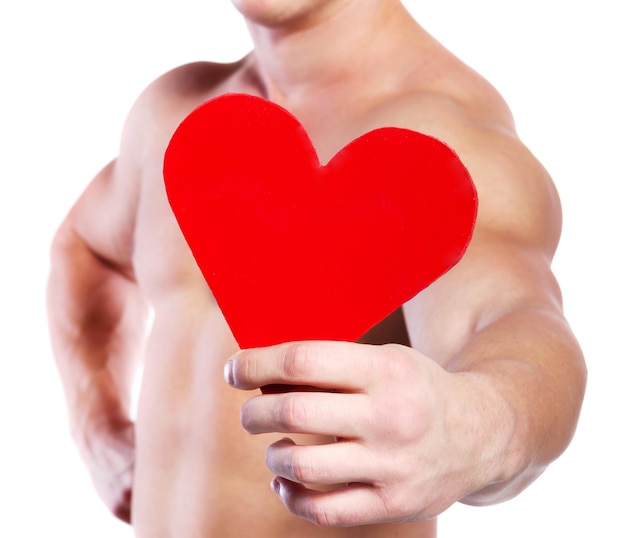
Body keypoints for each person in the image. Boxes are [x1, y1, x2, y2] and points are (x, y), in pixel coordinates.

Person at [47, 1, 587, 536]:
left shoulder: (444, 143)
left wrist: (476, 426)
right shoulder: (171, 114)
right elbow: (86, 245)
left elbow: (515, 324)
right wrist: (97, 426)